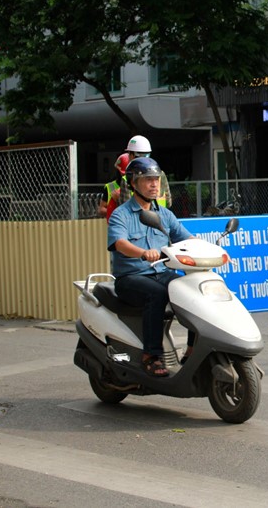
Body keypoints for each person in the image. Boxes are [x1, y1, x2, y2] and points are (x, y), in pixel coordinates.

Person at [108, 157, 195, 376]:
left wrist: (214, 251)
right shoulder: (122, 214)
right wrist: (143, 253)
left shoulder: (164, 214)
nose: (154, 184)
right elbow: (120, 244)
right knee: (156, 294)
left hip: (161, 273)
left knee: (194, 288)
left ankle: (193, 350)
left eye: (156, 179)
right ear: (133, 184)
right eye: (147, 180)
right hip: (131, 277)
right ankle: (151, 356)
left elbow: (186, 239)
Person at [119, 135, 172, 208]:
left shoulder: (129, 177)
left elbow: (125, 208)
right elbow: (168, 202)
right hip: (161, 217)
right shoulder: (160, 174)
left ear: (132, 155)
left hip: (137, 218)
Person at [98, 153, 129, 222]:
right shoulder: (111, 187)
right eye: (123, 174)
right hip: (115, 224)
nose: (124, 177)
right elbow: (101, 210)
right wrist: (113, 210)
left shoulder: (137, 186)